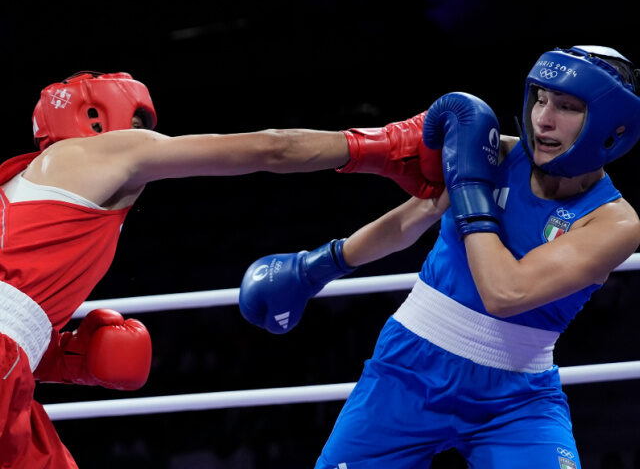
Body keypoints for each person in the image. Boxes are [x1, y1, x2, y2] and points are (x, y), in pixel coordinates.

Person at [0, 70, 444, 468]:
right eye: (138, 123)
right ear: (96, 117)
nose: (147, 135)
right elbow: (273, 148)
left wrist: (64, 357)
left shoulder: (17, 187)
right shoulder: (108, 150)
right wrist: (385, 146)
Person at [239, 45, 640, 467]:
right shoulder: (494, 153)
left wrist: (469, 192)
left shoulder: (612, 223)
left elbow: (505, 292)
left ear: (611, 126)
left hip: (517, 399)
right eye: (540, 99)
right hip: (407, 368)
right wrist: (315, 267)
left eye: (567, 106)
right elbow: (410, 221)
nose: (543, 118)